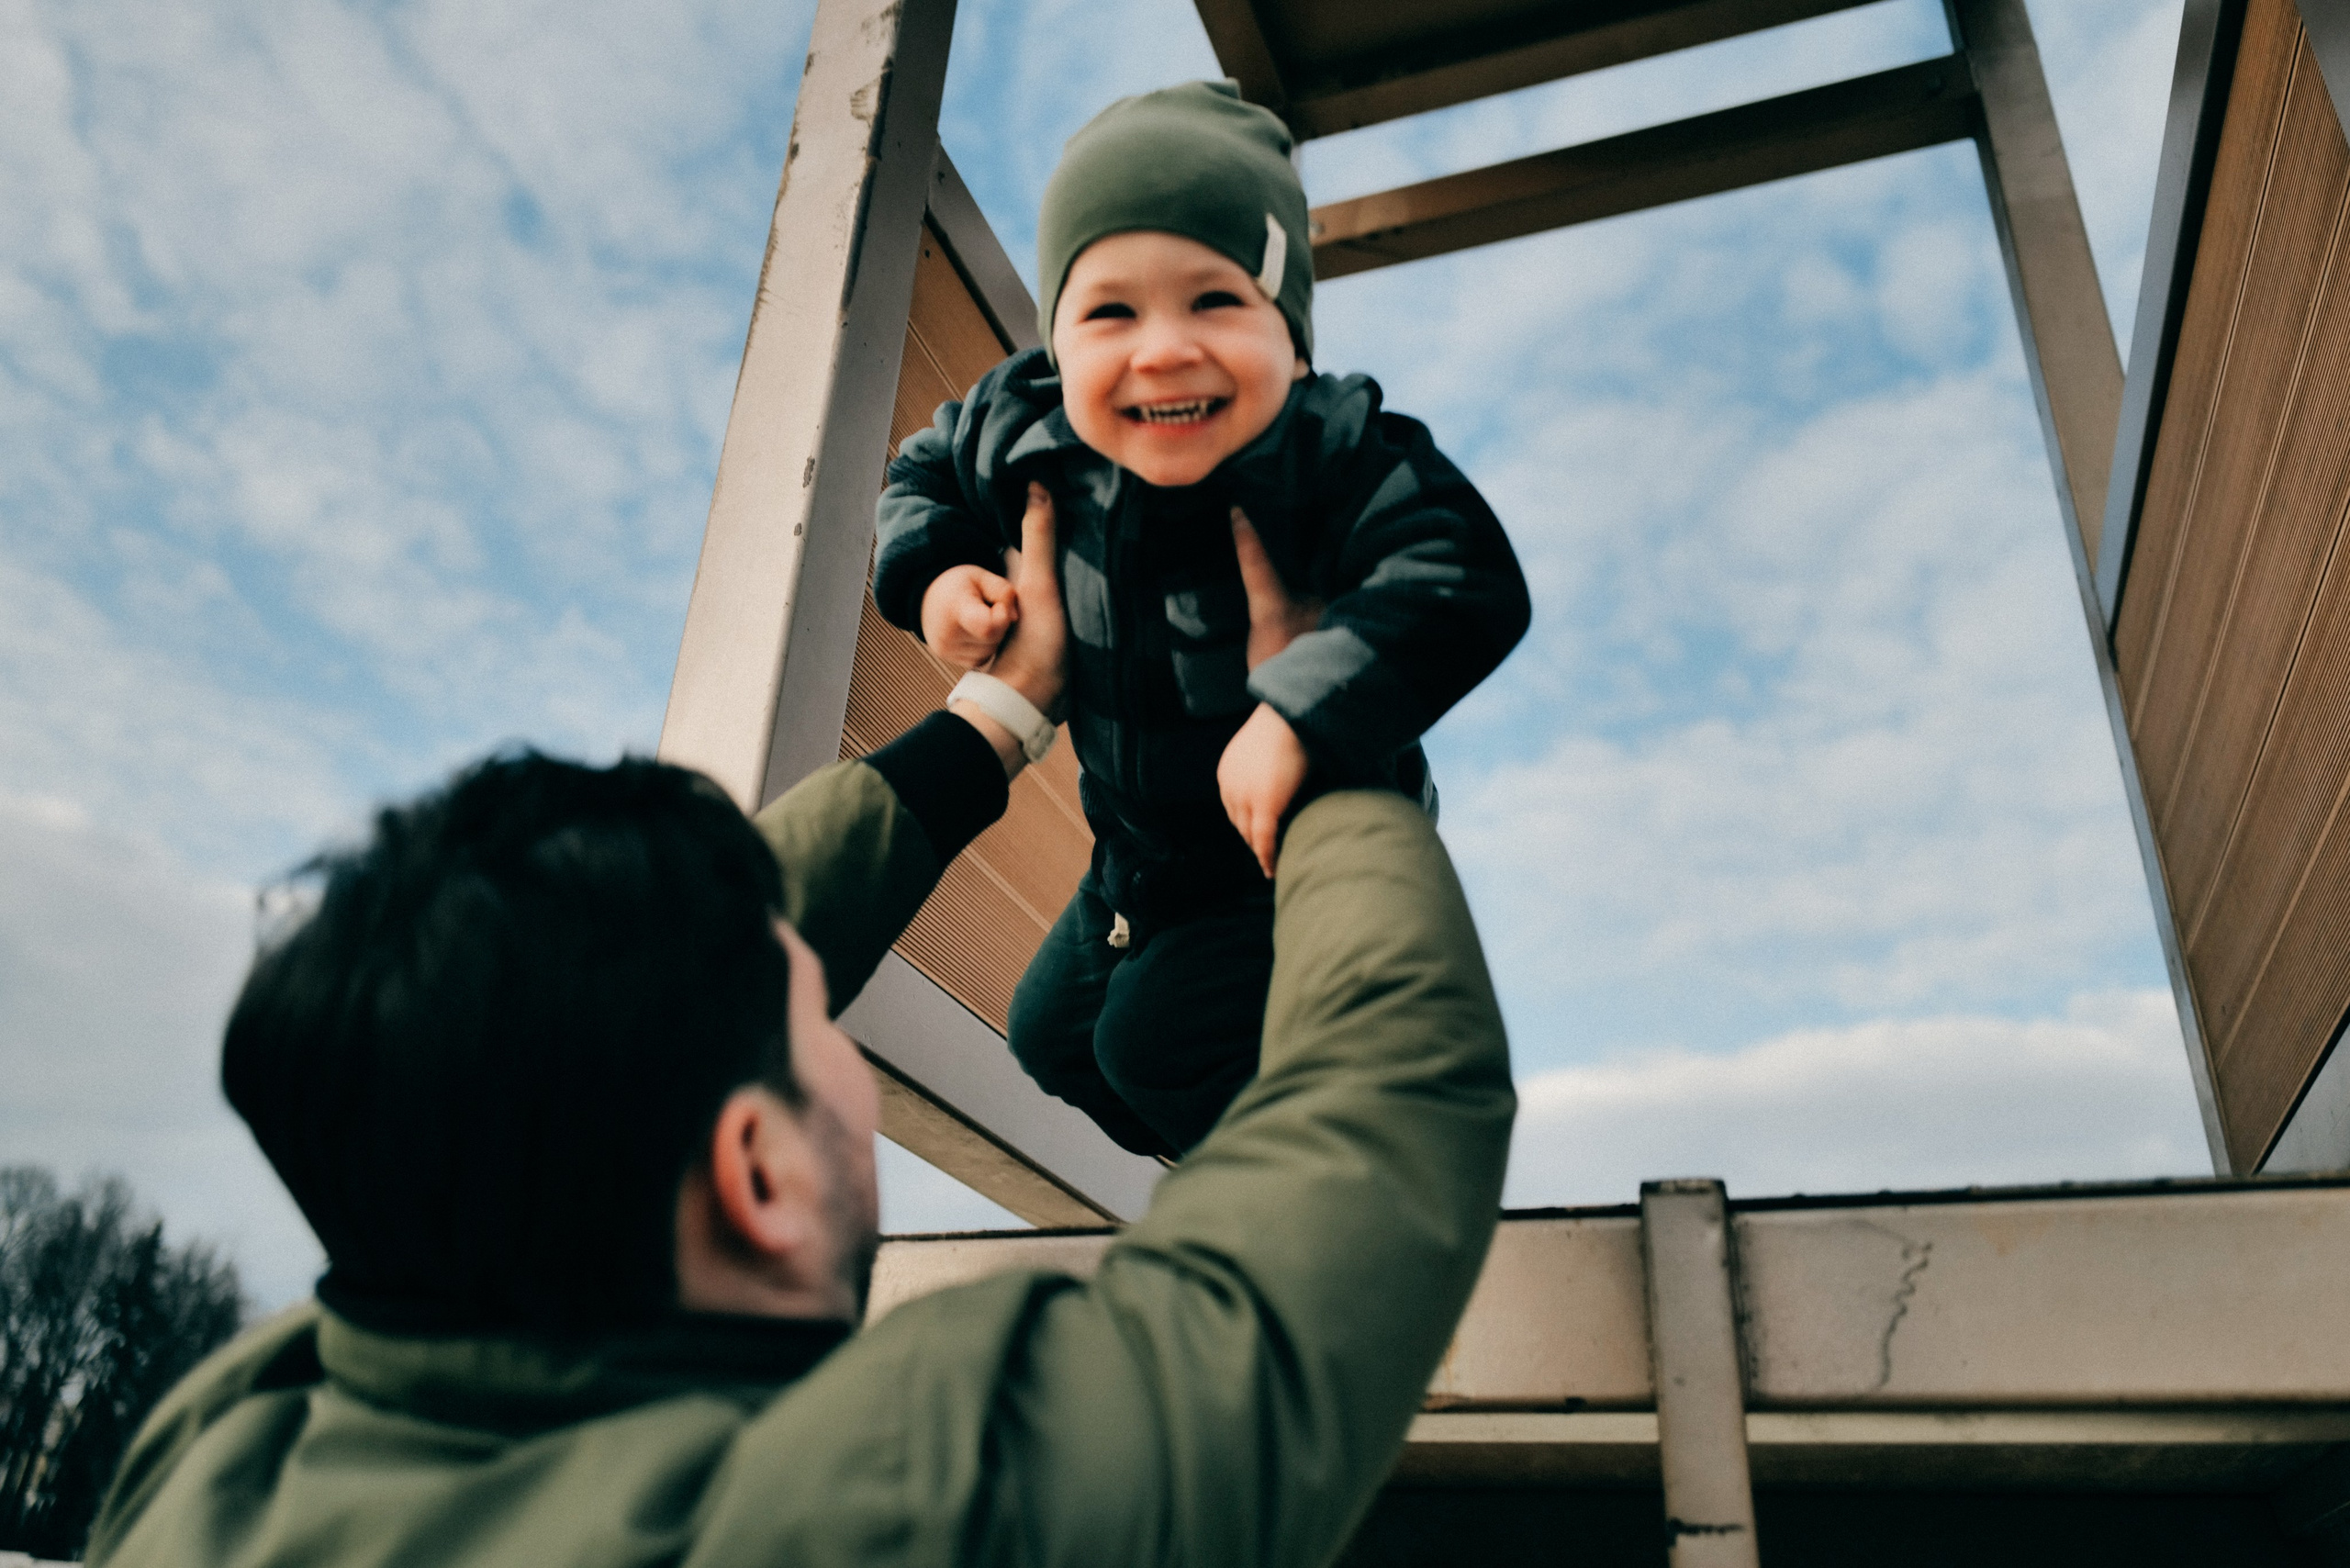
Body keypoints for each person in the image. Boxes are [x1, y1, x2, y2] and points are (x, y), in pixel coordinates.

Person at [84, 488, 1516, 1568]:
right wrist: (1330, 742)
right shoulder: (893, 1509)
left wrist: (1004, 712)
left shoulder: (217, 1461)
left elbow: (600, 1001)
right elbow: (1387, 1098)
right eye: (809, 1018)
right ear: (758, 1174)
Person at [874, 79, 1531, 1160]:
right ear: (1056, 342)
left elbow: (1462, 568)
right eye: (1110, 312)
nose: (1164, 349)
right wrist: (939, 576)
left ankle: (1332, 1186)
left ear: (1291, 338)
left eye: (1215, 303)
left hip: (1285, 849)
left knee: (1155, 1039)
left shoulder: (1320, 449)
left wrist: (1303, 713)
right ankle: (1223, 1166)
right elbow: (922, 475)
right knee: (1050, 1039)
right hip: (1134, 855)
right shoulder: (1024, 427)